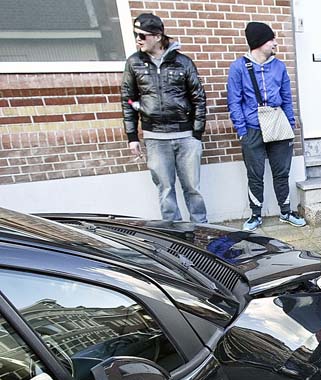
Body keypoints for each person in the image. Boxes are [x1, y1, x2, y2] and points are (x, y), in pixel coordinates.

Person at [121, 13, 208, 223]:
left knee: (192, 189)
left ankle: (203, 230)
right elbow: (129, 100)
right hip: (155, 138)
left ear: (158, 36)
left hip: (186, 136)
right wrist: (132, 136)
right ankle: (174, 234)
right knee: (165, 189)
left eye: (142, 35)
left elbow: (198, 98)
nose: (138, 39)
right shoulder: (134, 63)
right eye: (136, 35)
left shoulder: (183, 62)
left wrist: (196, 133)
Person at [227, 21, 306, 230]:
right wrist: (242, 131)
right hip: (253, 128)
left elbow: (287, 99)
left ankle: (286, 211)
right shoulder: (238, 68)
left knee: (282, 172)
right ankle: (255, 215)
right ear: (260, 42)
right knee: (255, 174)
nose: (275, 43)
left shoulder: (279, 67)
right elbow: (234, 102)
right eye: (272, 39)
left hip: (278, 126)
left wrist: (290, 126)